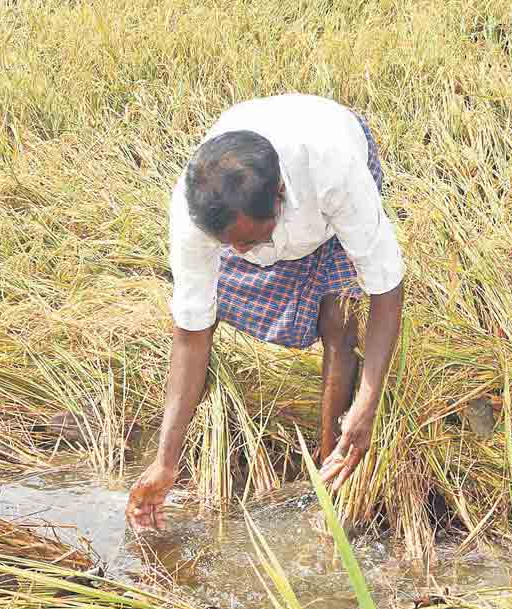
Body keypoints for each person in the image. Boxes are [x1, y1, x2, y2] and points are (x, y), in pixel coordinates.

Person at [126, 94, 405, 530]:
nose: (241, 254)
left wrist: (367, 405)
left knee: (339, 319)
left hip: (330, 165)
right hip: (256, 202)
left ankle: (330, 465)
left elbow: (385, 288)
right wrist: (165, 463)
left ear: (280, 197)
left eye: (252, 240)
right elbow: (191, 331)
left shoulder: (335, 171)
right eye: (230, 245)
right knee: (214, 299)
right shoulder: (196, 211)